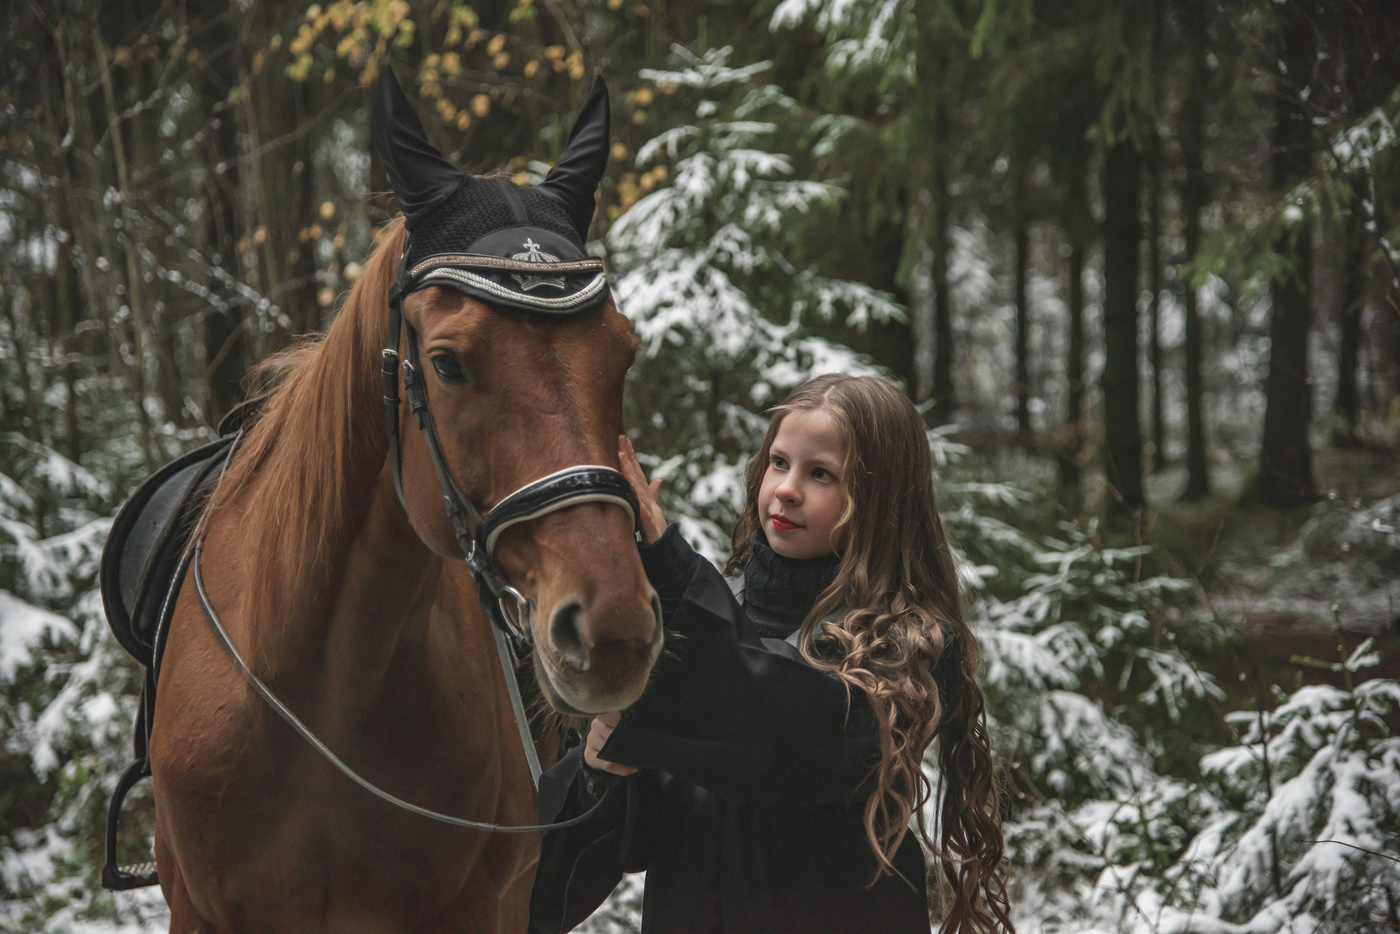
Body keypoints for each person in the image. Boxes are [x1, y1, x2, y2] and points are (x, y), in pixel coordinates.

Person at [529, 374, 1012, 934]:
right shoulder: (708, 620)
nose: (786, 488)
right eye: (779, 463)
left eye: (822, 474)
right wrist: (603, 769)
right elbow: (557, 878)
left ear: (880, 503)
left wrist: (673, 571)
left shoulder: (908, 645)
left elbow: (784, 732)